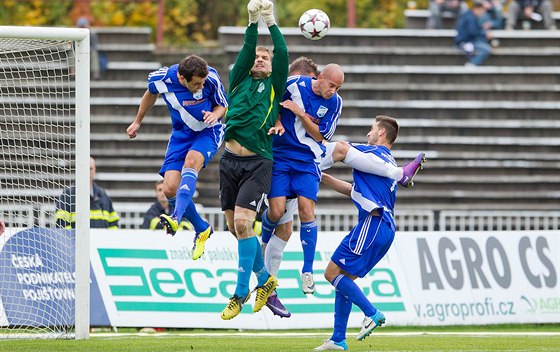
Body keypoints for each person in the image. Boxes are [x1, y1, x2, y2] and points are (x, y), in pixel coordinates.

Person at [314, 115, 410, 351]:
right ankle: (338, 339)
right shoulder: (385, 163)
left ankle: (371, 313)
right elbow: (352, 190)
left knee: (331, 273)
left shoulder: (373, 153)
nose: (368, 134)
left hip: (372, 223)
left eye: (372, 129)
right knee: (343, 279)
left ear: (381, 134)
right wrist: (322, 177)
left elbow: (342, 149)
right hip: (384, 228)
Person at [218, 0, 288, 321]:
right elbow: (247, 48)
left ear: (272, 67)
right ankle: (265, 280)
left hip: (258, 163)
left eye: (265, 57)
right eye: (258, 57)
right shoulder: (238, 79)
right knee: (236, 229)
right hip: (229, 162)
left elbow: (282, 52)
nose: (260, 59)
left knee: (246, 225)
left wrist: (269, 22)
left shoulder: (274, 84)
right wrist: (251, 21)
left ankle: (239, 291)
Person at [260, 58, 345, 305]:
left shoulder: (335, 103)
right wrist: (277, 122)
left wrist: (301, 114)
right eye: (331, 85)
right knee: (275, 212)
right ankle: (264, 241)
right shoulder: (294, 83)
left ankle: (307, 270)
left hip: (307, 160)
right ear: (319, 79)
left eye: (337, 88)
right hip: (281, 156)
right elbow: (272, 101)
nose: (333, 91)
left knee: (307, 211)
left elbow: (320, 135)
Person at [127, 54, 228, 260]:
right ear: (182, 78)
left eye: (202, 83)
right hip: (180, 136)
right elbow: (150, 93)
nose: (201, 87)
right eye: (196, 84)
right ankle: (201, 229)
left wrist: (215, 115)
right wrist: (137, 121)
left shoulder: (211, 78)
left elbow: (222, 105)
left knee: (191, 162)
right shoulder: (163, 79)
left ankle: (175, 216)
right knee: (169, 188)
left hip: (208, 132)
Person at [55, 157, 120, 229]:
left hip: (101, 240)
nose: (88, 172)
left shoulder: (103, 195)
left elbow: (113, 224)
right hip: (77, 240)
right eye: (85, 168)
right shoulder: (68, 195)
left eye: (90, 169)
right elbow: (61, 223)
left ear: (95, 170)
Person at [455, 1, 494, 67]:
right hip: (466, 41)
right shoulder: (470, 17)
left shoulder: (470, 15)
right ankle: (472, 63)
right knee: (486, 49)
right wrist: (485, 33)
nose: (482, 13)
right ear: (476, 9)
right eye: (481, 11)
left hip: (469, 39)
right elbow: (472, 32)